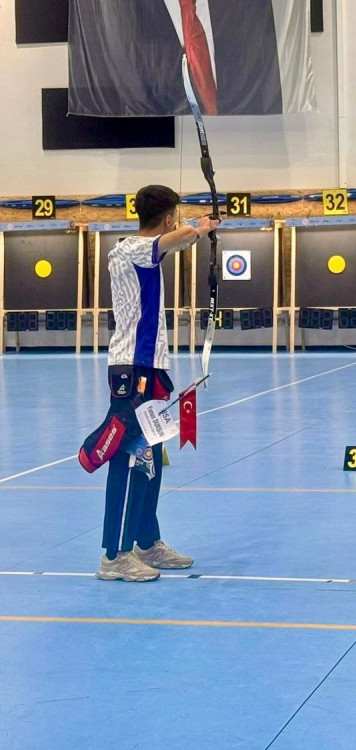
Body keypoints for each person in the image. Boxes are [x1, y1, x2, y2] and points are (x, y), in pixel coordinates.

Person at [92, 185, 219, 581]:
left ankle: (146, 542)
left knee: (150, 458)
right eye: (174, 216)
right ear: (167, 218)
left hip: (152, 370)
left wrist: (198, 228)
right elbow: (177, 238)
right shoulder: (128, 250)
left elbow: (173, 242)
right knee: (128, 457)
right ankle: (114, 555)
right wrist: (198, 228)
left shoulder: (146, 253)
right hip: (132, 371)